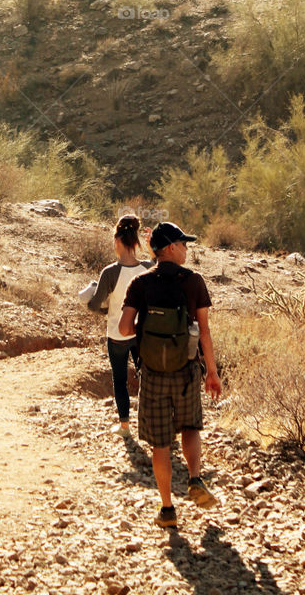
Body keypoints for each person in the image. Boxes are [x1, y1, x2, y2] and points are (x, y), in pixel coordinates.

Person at [119, 220, 223, 530]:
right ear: (171, 248)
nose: (187, 249)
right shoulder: (193, 281)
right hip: (186, 371)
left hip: (153, 374)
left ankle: (167, 509)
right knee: (190, 426)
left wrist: (147, 332)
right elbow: (204, 332)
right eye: (184, 244)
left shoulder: (140, 283)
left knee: (160, 445)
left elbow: (124, 329)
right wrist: (212, 372)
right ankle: (195, 478)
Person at [83, 214, 154, 434]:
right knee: (147, 377)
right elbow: (159, 262)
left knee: (120, 380)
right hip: (141, 333)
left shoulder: (110, 272)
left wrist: (104, 310)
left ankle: (124, 426)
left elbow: (94, 305)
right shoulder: (147, 267)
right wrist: (152, 250)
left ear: (117, 241)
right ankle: (150, 422)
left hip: (117, 334)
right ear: (136, 242)